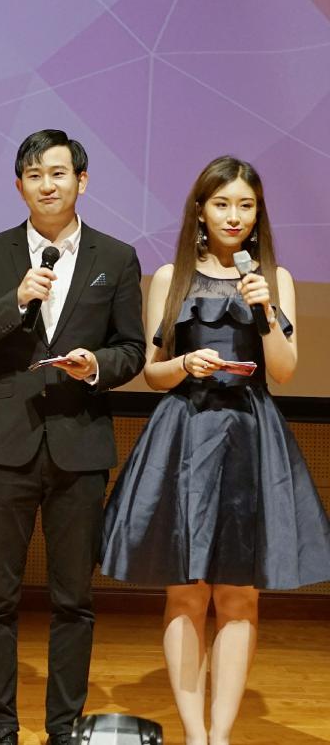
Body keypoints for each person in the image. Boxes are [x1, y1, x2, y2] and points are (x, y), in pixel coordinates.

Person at [101, 156, 330, 745]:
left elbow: (285, 370)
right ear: (200, 210)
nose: (234, 216)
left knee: (239, 595)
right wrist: (185, 363)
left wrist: (267, 312)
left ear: (258, 215)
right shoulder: (169, 277)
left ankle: (221, 736)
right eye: (222, 204)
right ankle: (194, 734)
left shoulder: (275, 279)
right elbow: (153, 373)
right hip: (186, 433)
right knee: (185, 592)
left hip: (249, 434)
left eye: (245, 206)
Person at [0, 128, 145, 745]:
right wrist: (16, 299)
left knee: (74, 600)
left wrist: (96, 366)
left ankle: (64, 729)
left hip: (79, 443)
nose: (47, 185)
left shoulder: (117, 257)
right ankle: (1, 730)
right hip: (5, 444)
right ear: (19, 186)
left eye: (58, 173)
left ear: (81, 181)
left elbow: (132, 349)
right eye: (34, 175)